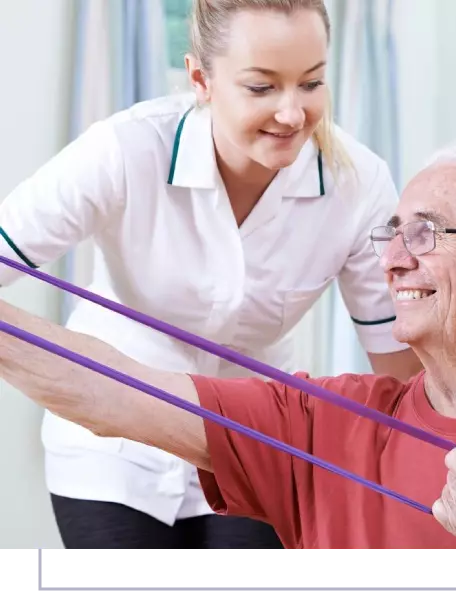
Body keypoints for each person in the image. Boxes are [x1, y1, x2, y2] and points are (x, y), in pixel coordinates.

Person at [0, 0, 423, 552]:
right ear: (201, 79)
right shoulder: (126, 150)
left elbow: (398, 369)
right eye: (262, 87)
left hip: (259, 445)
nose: (292, 114)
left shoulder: (359, 183)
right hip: (111, 451)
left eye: (311, 83)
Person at [0, 139, 456, 551]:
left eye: (426, 234)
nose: (391, 261)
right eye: (391, 234)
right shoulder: (327, 421)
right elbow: (112, 393)